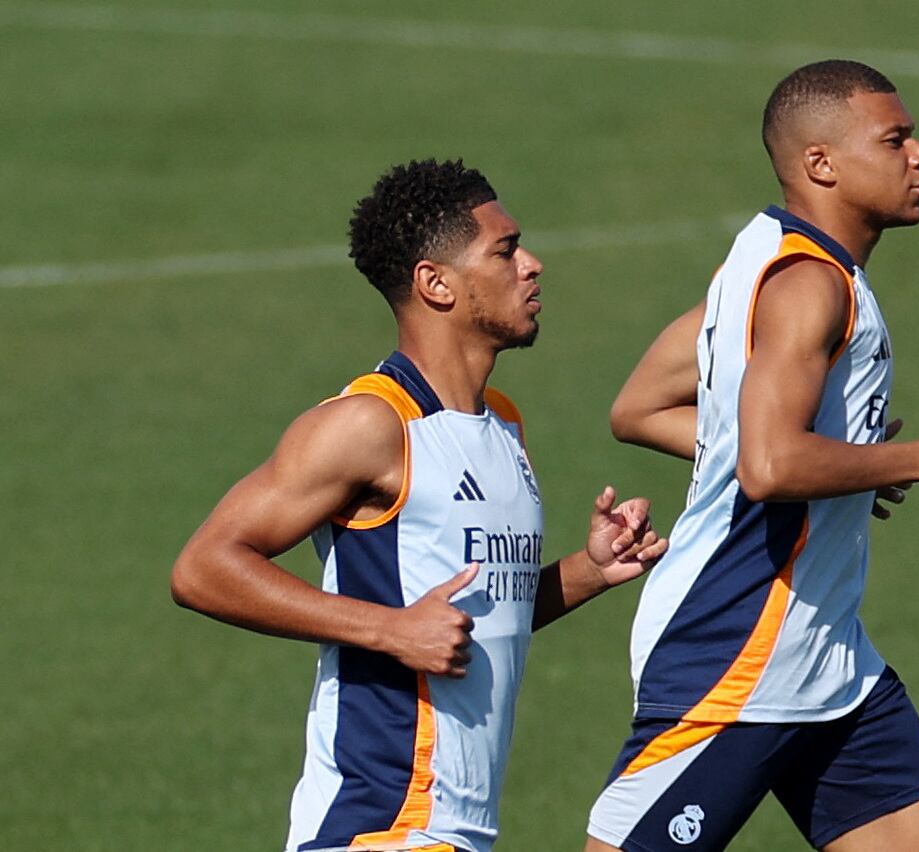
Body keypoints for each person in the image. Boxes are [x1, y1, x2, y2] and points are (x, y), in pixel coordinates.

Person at [170, 158, 668, 852]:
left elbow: (479, 622)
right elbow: (202, 569)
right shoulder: (370, 426)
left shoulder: (502, 424)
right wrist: (386, 629)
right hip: (379, 828)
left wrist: (588, 569)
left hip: (455, 831)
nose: (532, 264)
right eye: (504, 250)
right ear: (434, 284)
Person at [584, 60, 919, 852]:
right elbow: (769, 467)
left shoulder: (754, 262)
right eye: (896, 140)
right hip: (735, 655)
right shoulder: (808, 286)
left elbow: (641, 407)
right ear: (821, 163)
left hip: (830, 663)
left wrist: (842, 467)